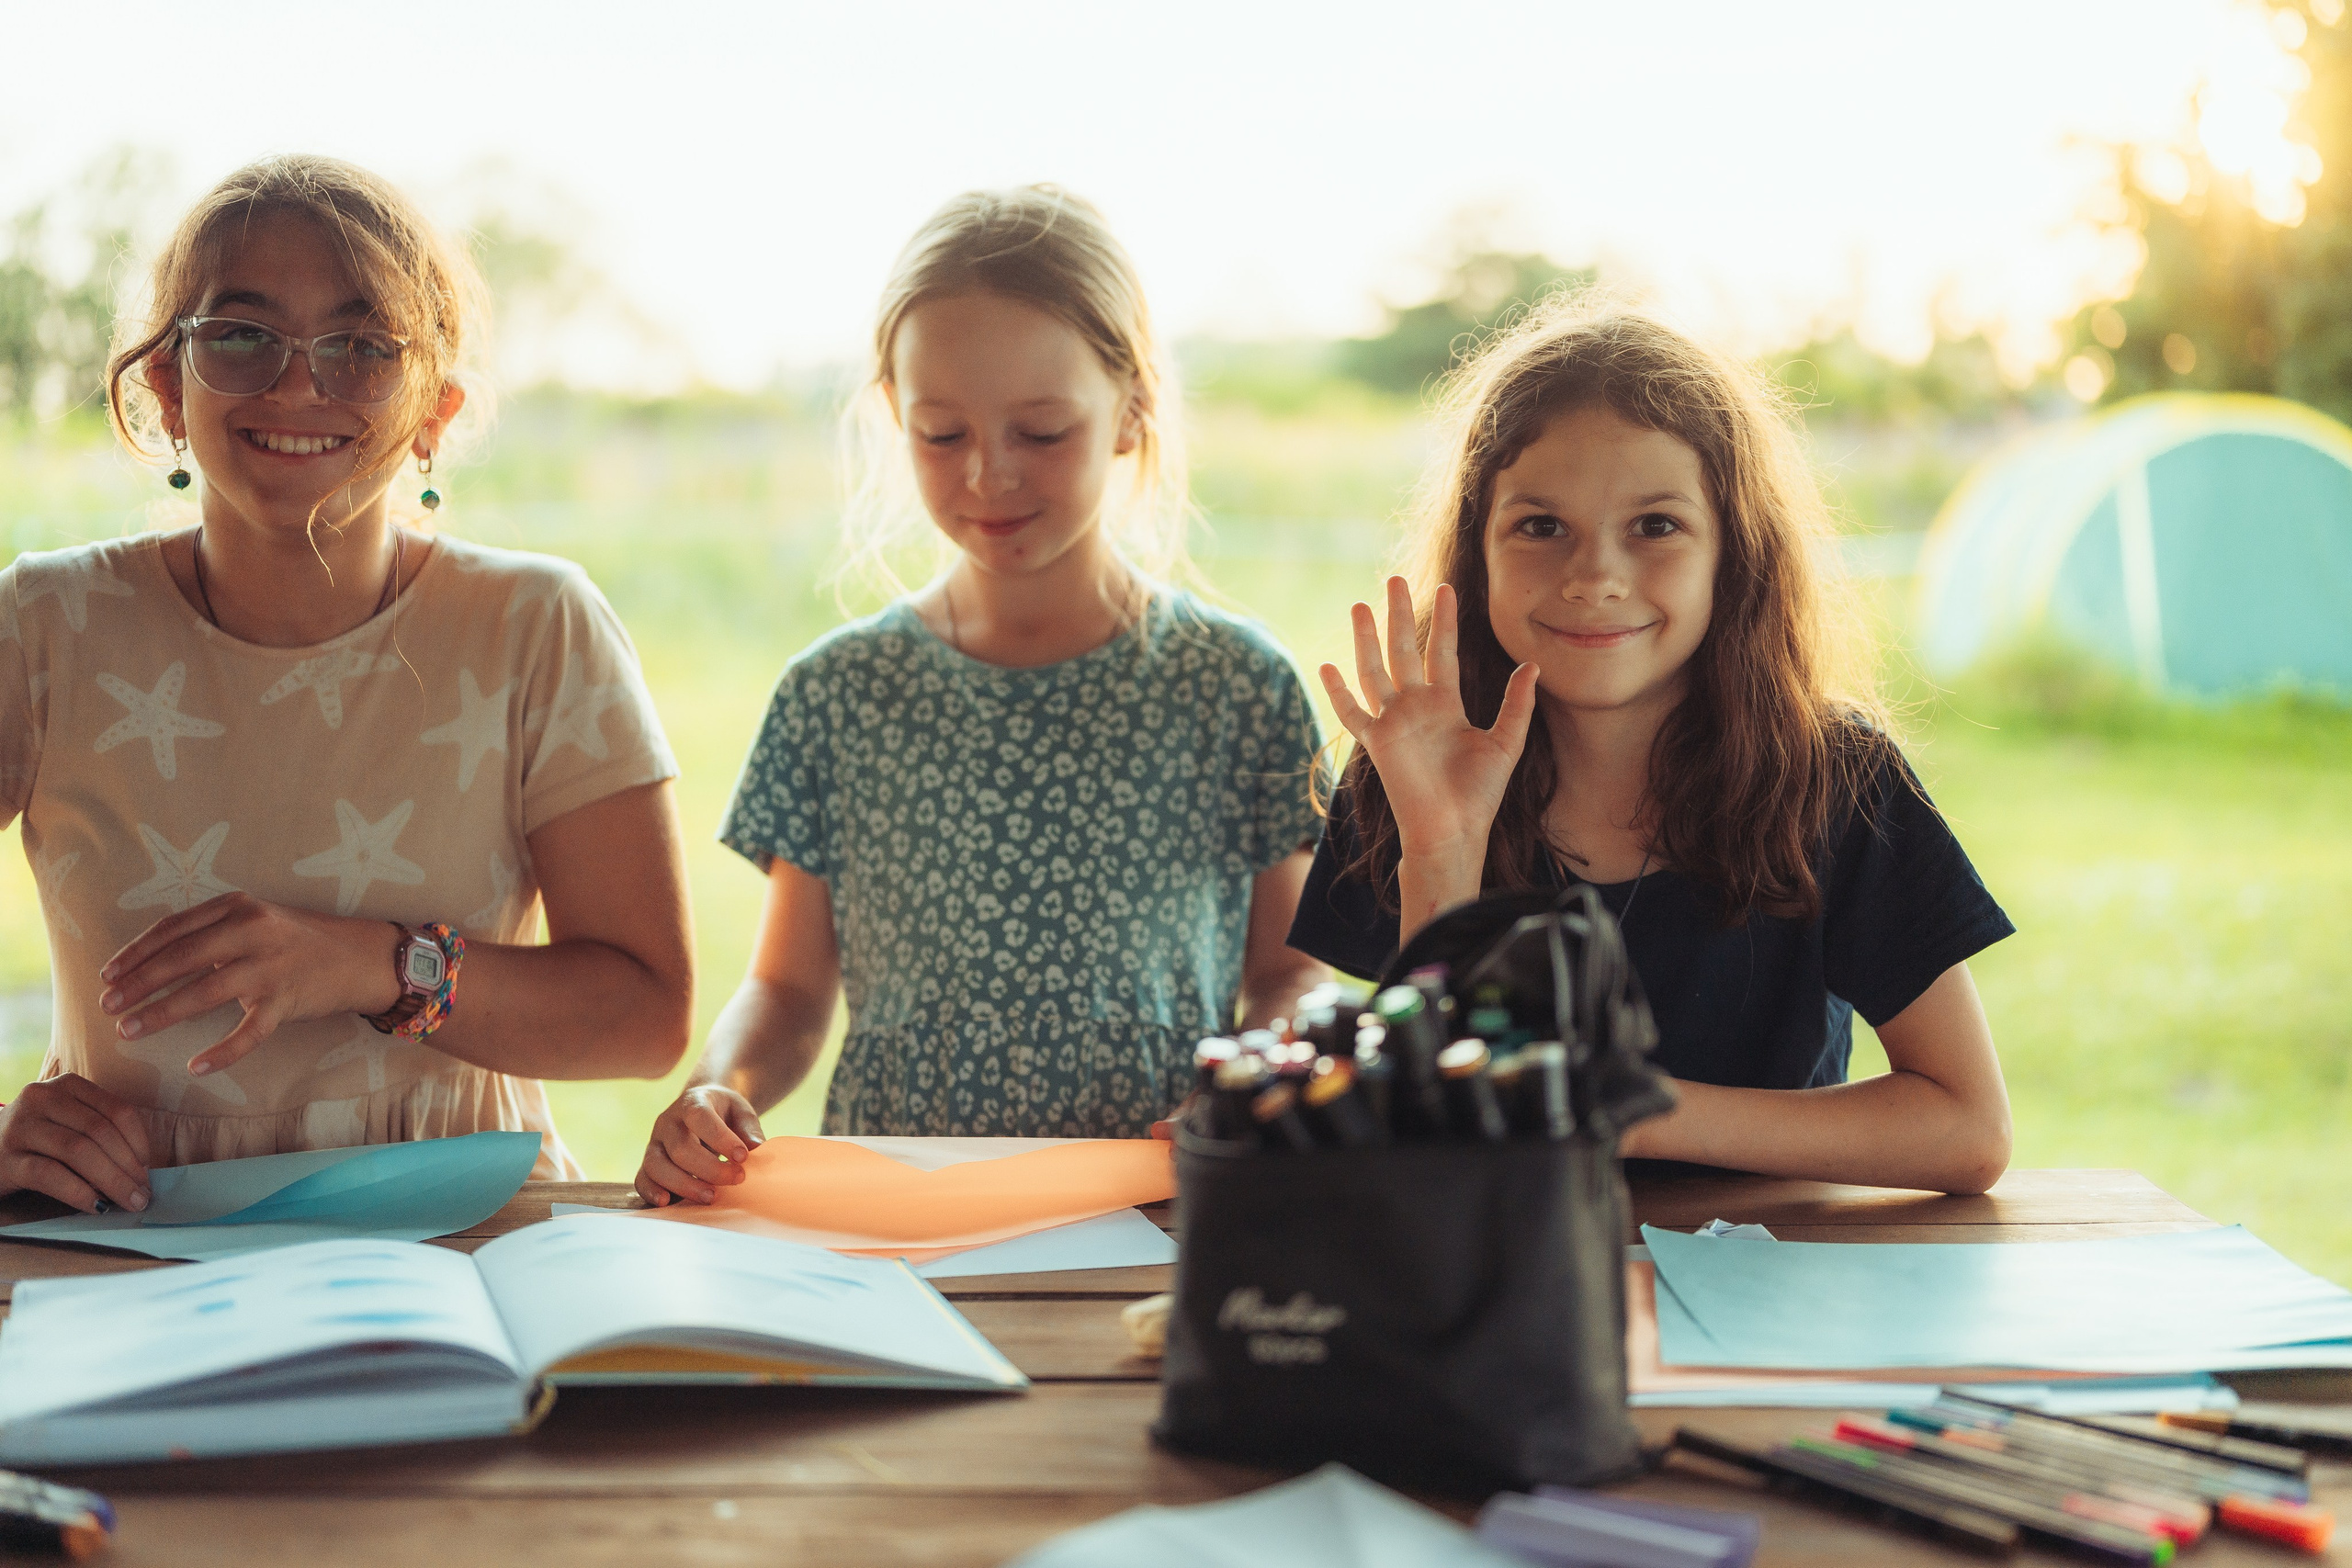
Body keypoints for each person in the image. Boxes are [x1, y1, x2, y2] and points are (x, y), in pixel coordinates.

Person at [0, 154, 694, 1208]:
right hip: (126, 1247)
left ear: (435, 412)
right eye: (240, 335)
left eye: (362, 346)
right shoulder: (42, 628)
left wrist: (375, 966)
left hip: (466, 1241)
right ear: (166, 389)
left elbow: (645, 1016)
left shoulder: (537, 628)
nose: (296, 384)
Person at [636, 186, 1326, 1205]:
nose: (989, 476)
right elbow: (785, 993)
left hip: (1158, 1212)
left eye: (1041, 432)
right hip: (896, 1223)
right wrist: (713, 1090)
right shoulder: (838, 694)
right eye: (940, 434)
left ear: (1132, 409)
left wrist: (1261, 1074)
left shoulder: (1237, 685)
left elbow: (1291, 974)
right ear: (891, 418)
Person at [1292, 294, 2015, 1195]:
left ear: (1734, 555)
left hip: (1768, 1291)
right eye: (1540, 526)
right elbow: (1433, 1118)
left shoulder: (1838, 779)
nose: (1595, 576)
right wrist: (1442, 849)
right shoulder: (1408, 769)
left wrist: (1629, 1108)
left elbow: (1966, 1128)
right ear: (1477, 558)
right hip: (1502, 1277)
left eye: (1656, 526)